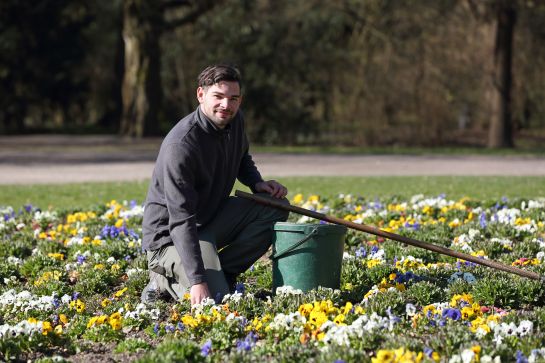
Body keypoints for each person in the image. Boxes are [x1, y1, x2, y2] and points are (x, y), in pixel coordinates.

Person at [141, 64, 289, 306]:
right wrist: (198, 280)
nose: (226, 105)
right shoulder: (181, 146)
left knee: (276, 207)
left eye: (233, 98)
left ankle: (223, 273)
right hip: (170, 237)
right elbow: (180, 220)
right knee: (216, 300)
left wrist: (257, 183)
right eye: (218, 97)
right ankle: (162, 280)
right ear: (201, 95)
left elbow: (242, 156)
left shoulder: (234, 120)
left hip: (208, 221)